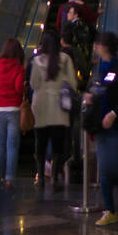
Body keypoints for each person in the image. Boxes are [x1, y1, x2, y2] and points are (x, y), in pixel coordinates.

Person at [86, 31, 118, 226]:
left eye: (98, 44)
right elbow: (99, 89)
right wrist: (91, 97)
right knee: (104, 169)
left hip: (115, 123)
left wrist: (114, 113)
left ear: (105, 46)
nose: (96, 47)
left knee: (112, 167)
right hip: (100, 124)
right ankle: (109, 210)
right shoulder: (99, 67)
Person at [28, 29, 77, 194]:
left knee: (40, 143)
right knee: (58, 145)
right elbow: (73, 84)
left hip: (40, 106)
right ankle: (55, 176)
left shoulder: (36, 61)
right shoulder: (65, 59)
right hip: (58, 107)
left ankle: (41, 177)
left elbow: (33, 84)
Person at [0, 38, 25, 190]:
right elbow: (18, 88)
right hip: (13, 110)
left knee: (0, 144)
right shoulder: (19, 68)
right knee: (12, 146)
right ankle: (9, 179)